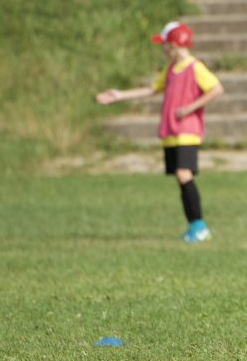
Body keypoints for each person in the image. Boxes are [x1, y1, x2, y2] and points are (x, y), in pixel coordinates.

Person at [95, 21, 225, 242]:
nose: (162, 49)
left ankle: (200, 226)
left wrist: (190, 108)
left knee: (184, 174)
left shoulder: (195, 67)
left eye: (164, 45)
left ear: (173, 45)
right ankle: (193, 226)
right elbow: (151, 89)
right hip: (172, 131)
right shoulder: (171, 68)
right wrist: (120, 95)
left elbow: (216, 88)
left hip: (187, 131)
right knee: (180, 177)